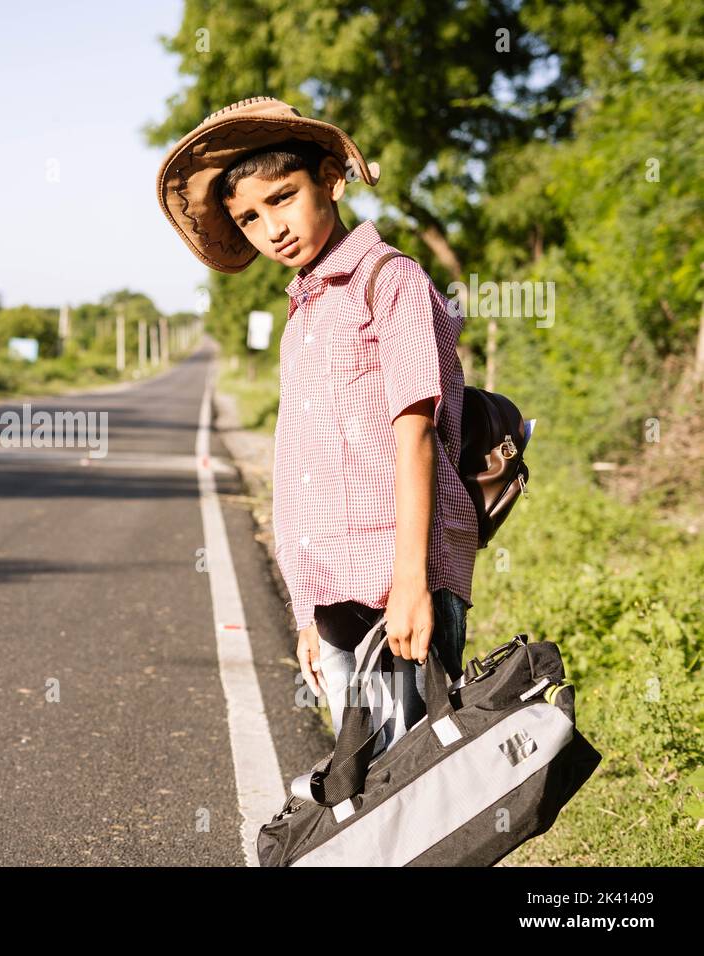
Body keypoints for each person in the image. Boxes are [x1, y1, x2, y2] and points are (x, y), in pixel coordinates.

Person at [156, 97, 478, 751]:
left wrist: (411, 586)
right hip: (332, 593)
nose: (270, 228)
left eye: (282, 197)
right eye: (248, 217)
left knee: (408, 797)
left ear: (330, 178)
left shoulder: (392, 282)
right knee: (366, 788)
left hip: (397, 580)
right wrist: (307, 614)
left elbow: (414, 436)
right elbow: (305, 471)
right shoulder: (302, 315)